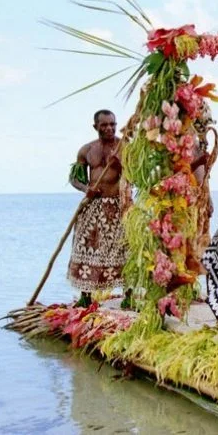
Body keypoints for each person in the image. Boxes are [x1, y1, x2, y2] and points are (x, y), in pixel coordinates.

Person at [68, 110, 127, 307]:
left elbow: (135, 177)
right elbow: (74, 178)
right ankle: (86, 296)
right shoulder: (86, 150)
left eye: (112, 124)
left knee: (125, 249)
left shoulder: (124, 147)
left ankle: (130, 295)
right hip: (93, 207)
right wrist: (87, 189)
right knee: (87, 248)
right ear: (95, 126)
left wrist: (120, 165)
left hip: (118, 205)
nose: (109, 128)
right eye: (104, 125)